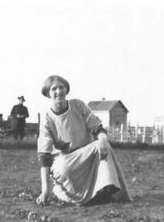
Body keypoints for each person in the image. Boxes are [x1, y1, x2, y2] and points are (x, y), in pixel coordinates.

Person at [36, 75, 132, 206]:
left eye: (61, 87)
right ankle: (74, 196)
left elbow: (97, 127)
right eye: (54, 89)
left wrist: (103, 139)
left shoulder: (78, 105)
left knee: (103, 146)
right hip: (67, 160)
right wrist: (45, 190)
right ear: (48, 93)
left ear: (66, 89)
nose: (58, 91)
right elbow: (44, 156)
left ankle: (109, 191)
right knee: (63, 168)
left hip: (88, 154)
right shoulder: (47, 119)